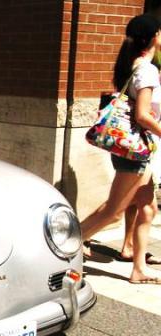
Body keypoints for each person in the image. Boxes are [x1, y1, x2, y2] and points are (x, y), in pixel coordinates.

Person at [81, 14, 161, 284]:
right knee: (113, 211)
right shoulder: (147, 69)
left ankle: (138, 269)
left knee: (148, 208)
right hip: (134, 150)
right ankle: (65, 244)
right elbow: (142, 115)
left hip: (134, 148)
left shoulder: (133, 64)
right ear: (153, 37)